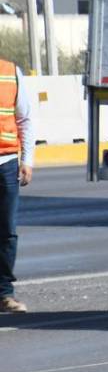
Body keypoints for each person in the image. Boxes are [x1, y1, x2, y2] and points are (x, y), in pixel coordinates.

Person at [0, 59, 33, 313]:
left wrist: (27, 161)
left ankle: (4, 294)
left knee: (7, 232)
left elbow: (25, 119)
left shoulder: (10, 72)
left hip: (7, 163)